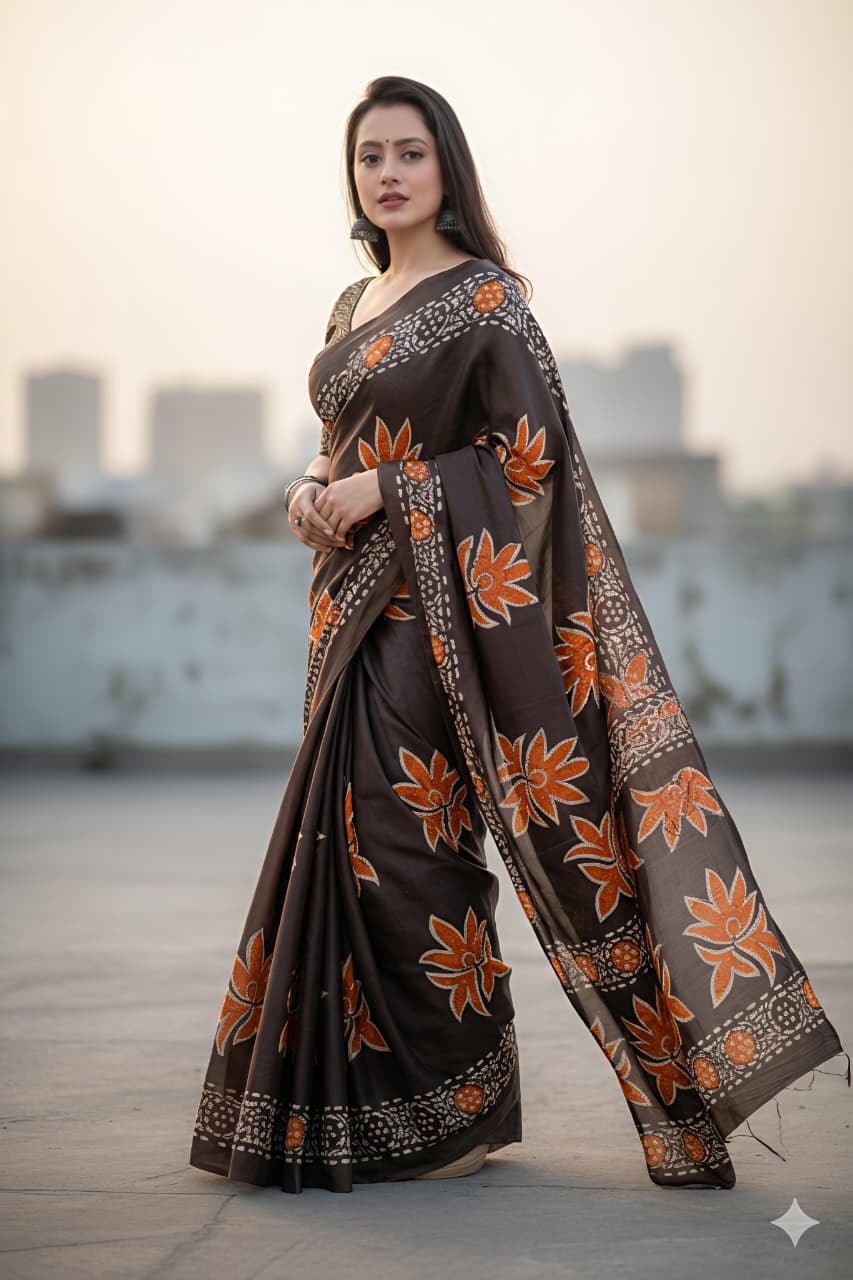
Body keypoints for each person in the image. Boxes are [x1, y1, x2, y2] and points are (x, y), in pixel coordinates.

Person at [188, 75, 848, 1195]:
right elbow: (330, 439)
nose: (387, 174)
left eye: (407, 152)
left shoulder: (488, 304)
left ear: (445, 165)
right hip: (347, 614)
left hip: (441, 623)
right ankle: (377, 1109)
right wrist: (314, 485)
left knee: (408, 848)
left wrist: (387, 490)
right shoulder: (351, 308)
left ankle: (460, 1110)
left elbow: (527, 459)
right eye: (368, 158)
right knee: (345, 845)